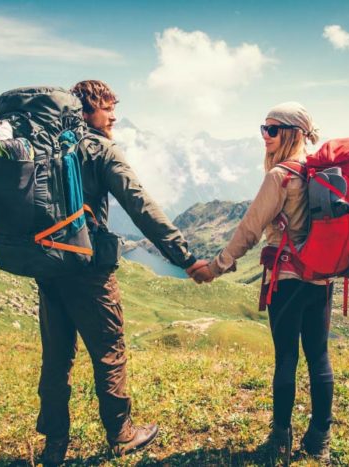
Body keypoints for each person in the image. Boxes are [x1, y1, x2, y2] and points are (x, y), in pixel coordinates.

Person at [37, 79, 210, 465]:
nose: (114, 114)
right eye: (106, 107)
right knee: (110, 352)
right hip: (88, 272)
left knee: (57, 357)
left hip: (48, 268)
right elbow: (140, 205)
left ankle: (53, 444)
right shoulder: (98, 150)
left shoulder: (44, 148)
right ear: (84, 111)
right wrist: (184, 257)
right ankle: (122, 434)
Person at [197, 102, 334, 465]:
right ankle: (320, 436)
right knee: (318, 355)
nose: (265, 136)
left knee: (286, 357)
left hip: (286, 280)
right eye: (263, 129)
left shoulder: (281, 176)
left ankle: (280, 436)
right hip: (321, 278)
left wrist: (218, 266)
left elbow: (250, 228)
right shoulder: (318, 172)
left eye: (272, 130)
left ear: (290, 133)